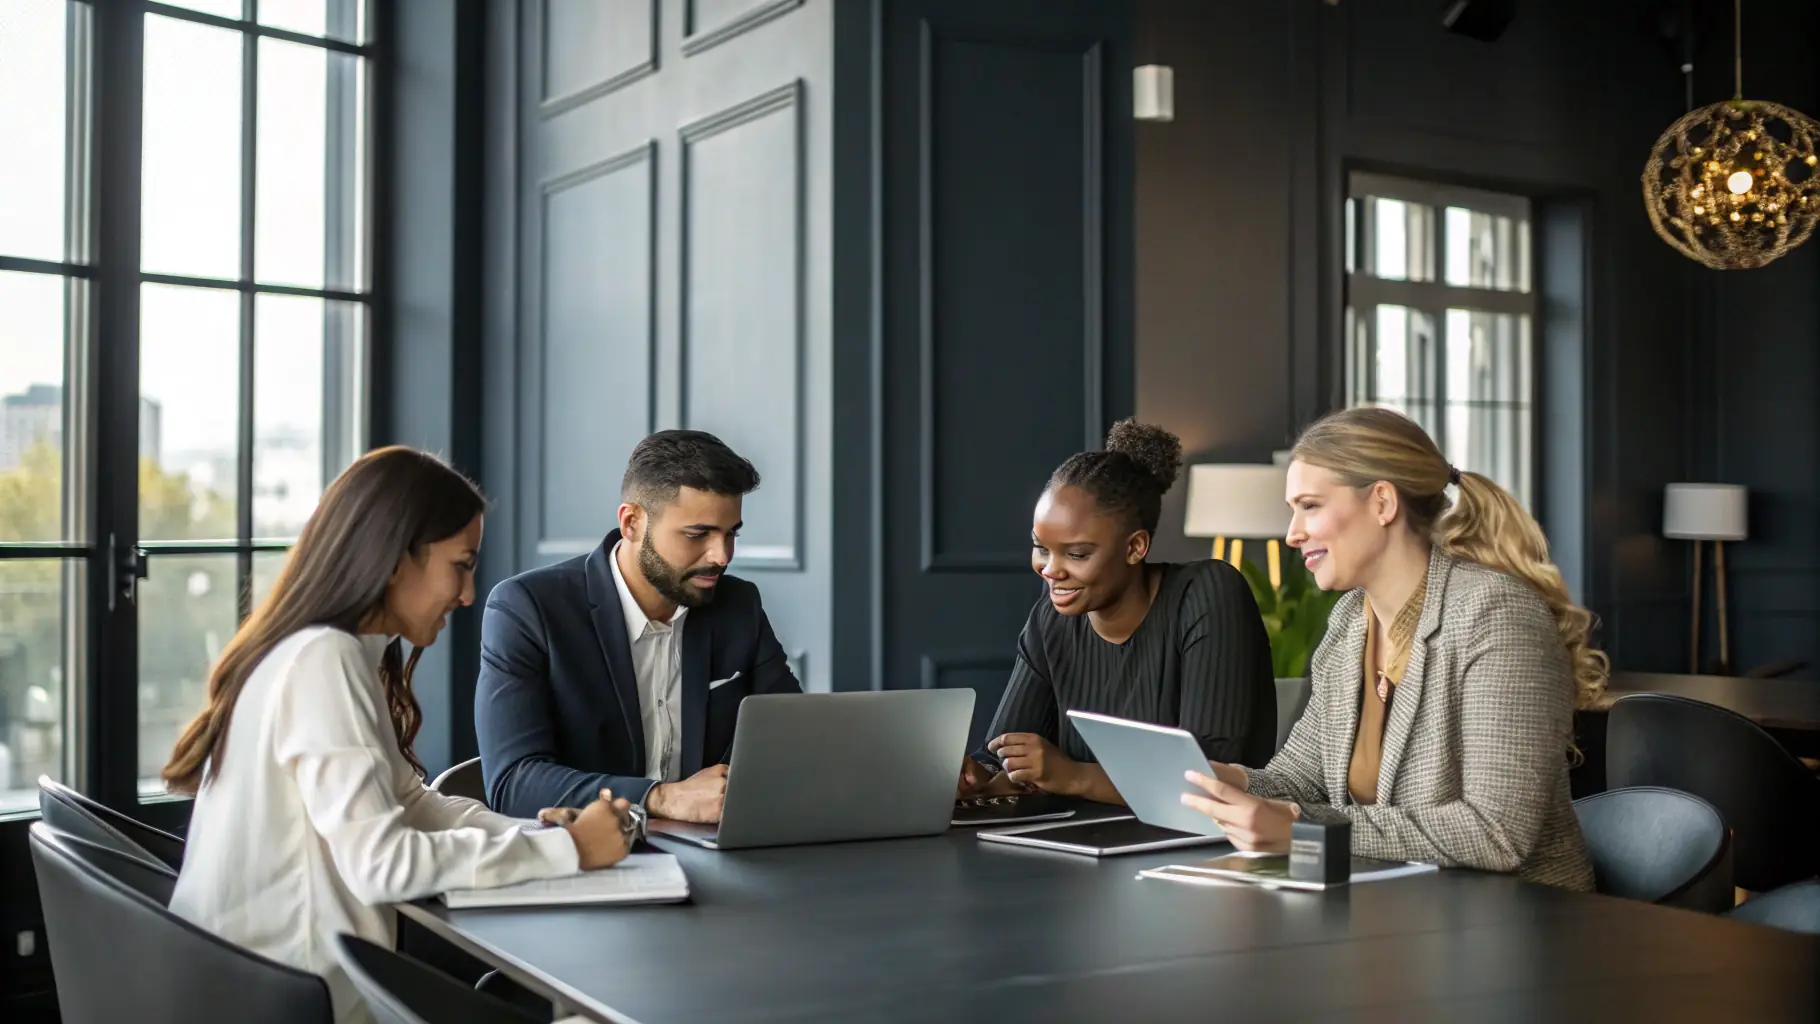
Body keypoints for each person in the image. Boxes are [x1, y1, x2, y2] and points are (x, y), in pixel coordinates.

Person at [163, 446, 633, 1024]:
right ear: (394, 560)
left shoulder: (330, 650)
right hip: (298, 1002)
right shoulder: (322, 659)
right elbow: (382, 863)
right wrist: (568, 849)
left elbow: (408, 803)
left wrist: (533, 831)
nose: (467, 595)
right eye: (460, 565)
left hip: (278, 988)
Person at [1179, 407, 1604, 890]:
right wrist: (1230, 782)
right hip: (1399, 907)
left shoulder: (1495, 616)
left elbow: (1497, 832)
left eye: (1310, 506)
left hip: (1519, 923)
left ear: (1382, 502)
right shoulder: (1349, 622)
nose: (1293, 532)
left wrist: (1301, 829)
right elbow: (1303, 777)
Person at [476, 429, 802, 824]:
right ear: (631, 522)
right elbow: (513, 783)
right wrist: (660, 798)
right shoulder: (528, 609)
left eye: (730, 533)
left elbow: (793, 739)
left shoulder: (739, 606)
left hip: (716, 854)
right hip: (582, 859)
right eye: (697, 534)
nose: (721, 556)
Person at [957, 420, 1276, 806]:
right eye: (1041, 547)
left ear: (1135, 547)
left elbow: (1212, 777)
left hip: (1192, 851)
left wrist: (1074, 776)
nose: (1050, 570)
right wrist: (980, 778)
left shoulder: (1206, 594)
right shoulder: (1052, 620)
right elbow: (1004, 758)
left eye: (1076, 554)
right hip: (1078, 847)